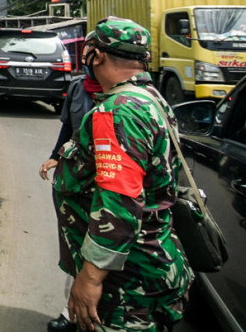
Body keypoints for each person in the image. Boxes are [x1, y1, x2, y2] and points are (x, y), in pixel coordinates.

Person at [52, 18, 192, 332]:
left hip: (126, 285)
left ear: (96, 56)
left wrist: (90, 278)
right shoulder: (152, 101)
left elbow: (119, 203)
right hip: (150, 266)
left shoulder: (117, 112)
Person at [38, 34, 103, 332]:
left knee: (100, 254)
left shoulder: (128, 101)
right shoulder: (78, 87)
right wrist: (54, 157)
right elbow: (68, 127)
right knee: (76, 252)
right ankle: (70, 313)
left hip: (106, 190)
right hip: (75, 187)